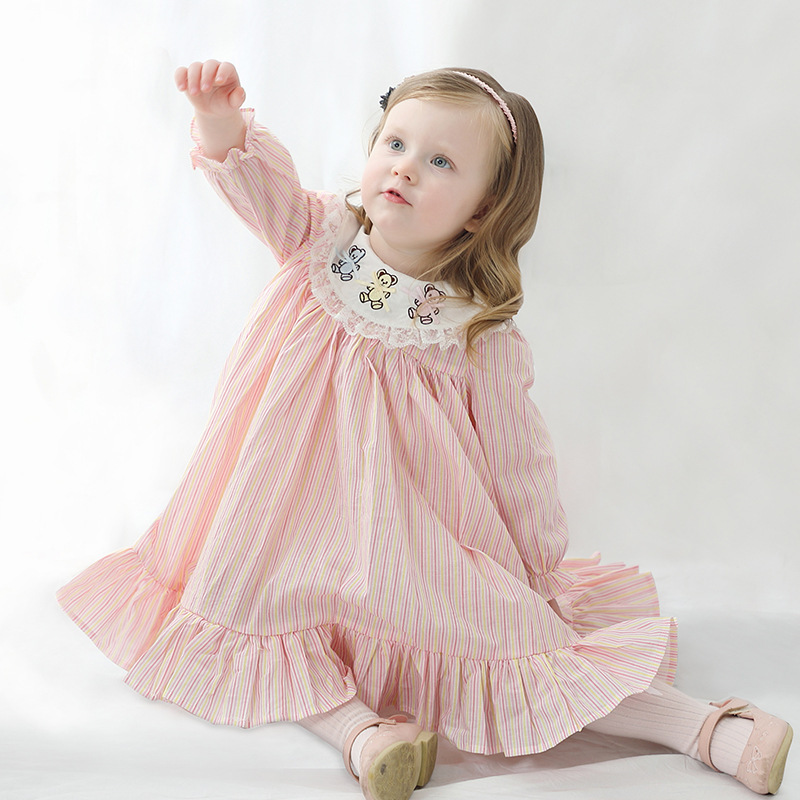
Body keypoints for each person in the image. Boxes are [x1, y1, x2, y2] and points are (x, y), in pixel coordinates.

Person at [57, 60, 792, 799]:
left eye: (440, 162)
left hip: (410, 540)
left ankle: (701, 726)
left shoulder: (474, 333)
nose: (405, 168)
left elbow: (516, 461)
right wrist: (219, 120)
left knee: (505, 643)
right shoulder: (318, 239)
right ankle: (366, 736)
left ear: (481, 210)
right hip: (281, 518)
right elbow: (256, 188)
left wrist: (535, 567)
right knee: (259, 616)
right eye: (396, 143)